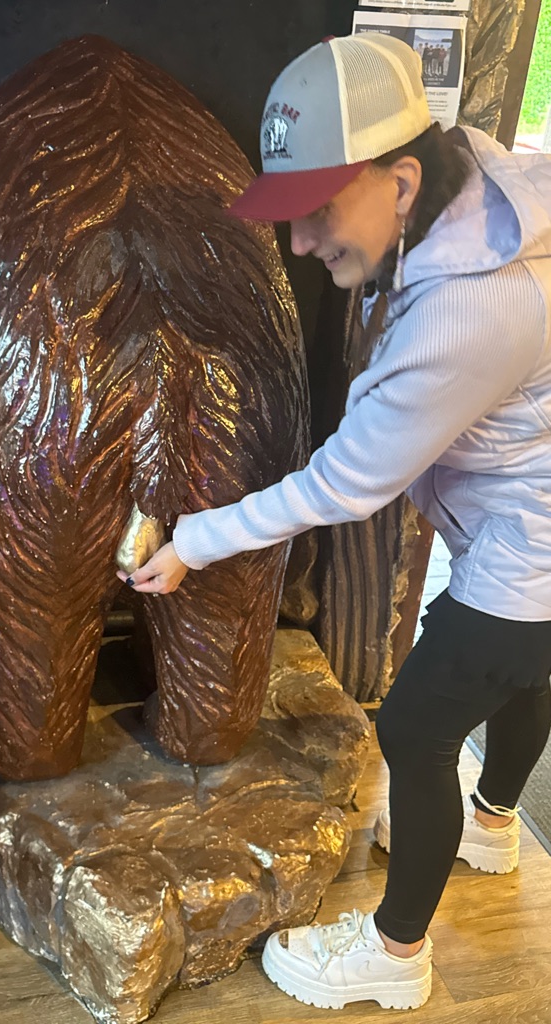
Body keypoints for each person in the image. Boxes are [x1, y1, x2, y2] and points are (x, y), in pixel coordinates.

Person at [117, 32, 551, 1011]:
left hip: (535, 550)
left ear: (402, 181)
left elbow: (343, 486)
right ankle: (491, 823)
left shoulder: (468, 310)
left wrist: (193, 541)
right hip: (528, 512)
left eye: (318, 210)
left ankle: (394, 955)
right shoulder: (476, 178)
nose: (302, 242)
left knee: (416, 725)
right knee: (528, 674)